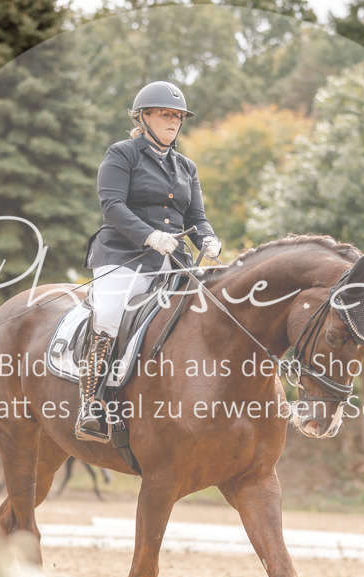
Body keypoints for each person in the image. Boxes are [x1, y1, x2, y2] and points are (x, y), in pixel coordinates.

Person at [77, 81, 221, 442]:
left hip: (174, 261)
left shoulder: (186, 166)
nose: (173, 122)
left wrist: (208, 238)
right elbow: (112, 205)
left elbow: (197, 216)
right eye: (165, 114)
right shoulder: (122, 153)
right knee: (109, 313)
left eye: (178, 117)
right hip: (124, 255)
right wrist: (149, 235)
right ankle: (91, 403)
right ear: (143, 118)